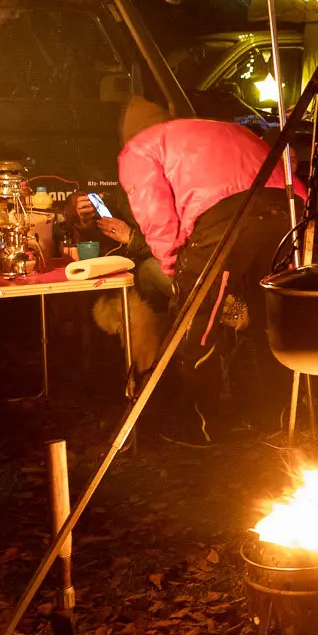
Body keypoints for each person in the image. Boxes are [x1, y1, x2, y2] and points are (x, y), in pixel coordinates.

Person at [116, 98, 299, 444]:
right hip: (287, 205)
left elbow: (157, 217)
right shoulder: (218, 128)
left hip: (225, 214)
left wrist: (177, 271)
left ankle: (202, 425)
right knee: (271, 315)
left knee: (196, 318)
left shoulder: (138, 150)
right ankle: (277, 418)